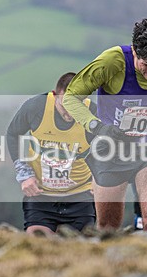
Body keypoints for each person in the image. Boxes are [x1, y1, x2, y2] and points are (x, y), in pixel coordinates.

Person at [63, 17, 147, 231]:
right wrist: (96, 127)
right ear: (135, 51)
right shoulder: (112, 62)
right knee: (108, 227)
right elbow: (71, 97)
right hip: (111, 149)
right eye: (146, 65)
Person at [6, 72, 96, 236]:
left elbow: (108, 148)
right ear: (55, 96)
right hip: (41, 196)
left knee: (81, 248)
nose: (70, 114)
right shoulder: (36, 107)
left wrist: (100, 179)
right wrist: (24, 173)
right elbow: (13, 134)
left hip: (81, 196)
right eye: (65, 105)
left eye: (76, 107)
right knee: (37, 243)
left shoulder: (93, 113)